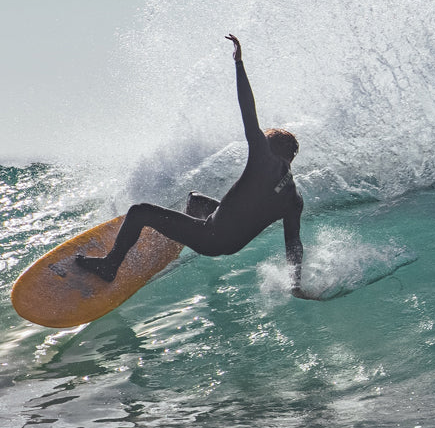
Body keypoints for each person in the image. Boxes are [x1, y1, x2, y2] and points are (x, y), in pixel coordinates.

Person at [77, 34, 309, 297]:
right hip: (231, 244)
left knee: (139, 211)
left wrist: (239, 64)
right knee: (195, 200)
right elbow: (294, 243)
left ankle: (110, 265)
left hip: (210, 237)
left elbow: (248, 109)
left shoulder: (263, 158)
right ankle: (181, 230)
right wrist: (295, 285)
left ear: (270, 146)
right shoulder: (293, 198)